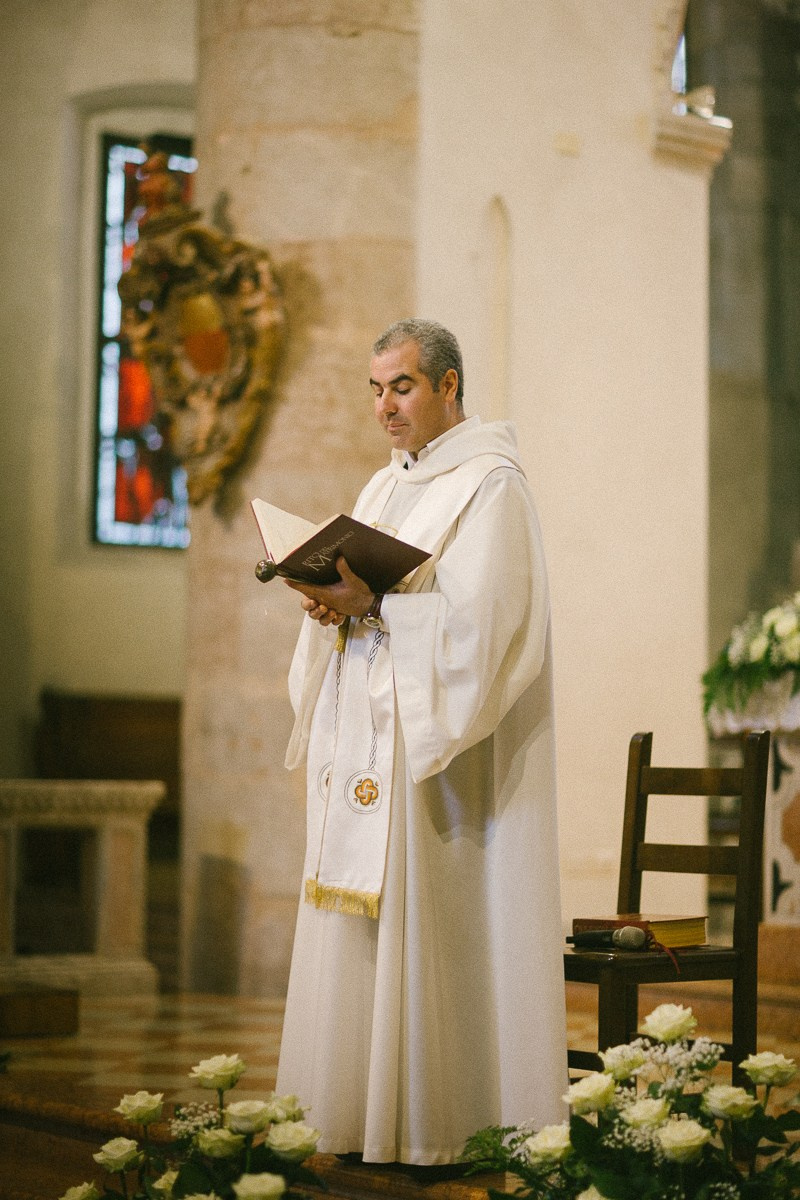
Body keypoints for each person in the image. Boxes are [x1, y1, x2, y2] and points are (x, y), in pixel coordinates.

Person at [275, 319, 567, 1165]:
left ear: (448, 386)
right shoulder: (381, 488)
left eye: (400, 386)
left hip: (440, 772)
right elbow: (378, 602)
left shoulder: (492, 487)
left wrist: (377, 608)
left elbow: (489, 631)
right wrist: (329, 603)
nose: (384, 407)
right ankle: (352, 1114)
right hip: (373, 740)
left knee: (430, 934)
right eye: (375, 389)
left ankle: (434, 1122)